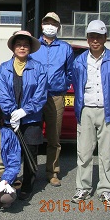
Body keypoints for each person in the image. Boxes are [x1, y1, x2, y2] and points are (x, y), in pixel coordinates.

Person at [70, 19, 110, 207]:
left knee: (106, 153)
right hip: (86, 110)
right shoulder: (79, 61)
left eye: (99, 36)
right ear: (87, 38)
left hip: (108, 111)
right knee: (84, 153)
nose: (95, 40)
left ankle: (105, 190)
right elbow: (77, 85)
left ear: (105, 38)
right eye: (92, 36)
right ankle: (83, 188)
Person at [0, 30, 47, 200]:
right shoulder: (4, 68)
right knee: (10, 152)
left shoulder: (39, 68)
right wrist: (12, 113)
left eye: (25, 45)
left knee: (30, 151)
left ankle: (27, 185)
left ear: (30, 48)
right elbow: (1, 94)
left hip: (32, 117)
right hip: (10, 119)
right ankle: (8, 182)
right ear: (13, 48)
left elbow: (40, 94)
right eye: (19, 44)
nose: (22, 47)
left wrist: (24, 111)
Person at [30, 12, 74, 187]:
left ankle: (52, 172)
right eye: (47, 22)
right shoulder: (33, 46)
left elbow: (70, 72)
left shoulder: (65, 48)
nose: (50, 26)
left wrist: (62, 85)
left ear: (58, 27)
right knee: (32, 135)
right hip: (34, 97)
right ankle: (31, 173)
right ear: (41, 25)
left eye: (53, 23)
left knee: (54, 138)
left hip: (56, 96)